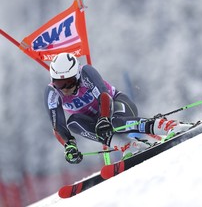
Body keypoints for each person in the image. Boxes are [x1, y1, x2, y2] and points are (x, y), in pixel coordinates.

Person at [44, 52, 193, 164]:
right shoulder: (52, 93)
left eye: (69, 82)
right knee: (73, 122)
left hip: (116, 105)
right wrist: (69, 145)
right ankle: (127, 146)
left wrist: (104, 118)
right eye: (59, 84)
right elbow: (58, 126)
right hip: (98, 124)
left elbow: (104, 96)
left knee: (114, 122)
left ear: (76, 76)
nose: (64, 89)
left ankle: (168, 126)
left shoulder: (86, 73)